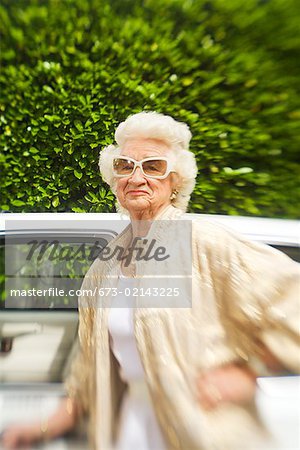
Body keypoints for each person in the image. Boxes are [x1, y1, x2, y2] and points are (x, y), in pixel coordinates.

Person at [1, 112, 299, 450]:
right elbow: (89, 372)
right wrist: (42, 427)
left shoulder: (203, 243)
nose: (136, 176)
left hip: (204, 431)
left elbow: (292, 299)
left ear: (176, 181)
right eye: (125, 166)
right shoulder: (105, 267)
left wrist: (249, 372)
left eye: (153, 166)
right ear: (114, 178)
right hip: (131, 430)